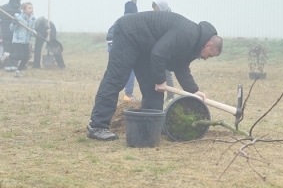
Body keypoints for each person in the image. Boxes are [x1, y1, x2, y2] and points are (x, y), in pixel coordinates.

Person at [87, 11, 222, 141]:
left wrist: (194, 91)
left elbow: (181, 67)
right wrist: (160, 80)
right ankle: (97, 127)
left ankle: (152, 126)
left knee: (153, 87)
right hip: (129, 33)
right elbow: (159, 53)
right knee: (116, 79)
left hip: (146, 46)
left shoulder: (194, 44)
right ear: (208, 45)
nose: (206, 58)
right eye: (209, 55)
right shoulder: (188, 35)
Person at [106, 1, 138, 101]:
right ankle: (128, 95)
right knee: (131, 68)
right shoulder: (134, 19)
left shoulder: (119, 19)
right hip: (120, 44)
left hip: (111, 44)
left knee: (114, 69)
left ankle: (108, 93)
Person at [151, 0, 175, 99]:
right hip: (158, 49)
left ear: (162, 7)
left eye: (156, 8)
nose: (155, 11)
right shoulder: (158, 17)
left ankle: (170, 96)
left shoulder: (169, 18)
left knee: (167, 73)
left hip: (166, 50)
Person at [0, 0, 22, 71]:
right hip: (16, 34)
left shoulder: (2, 8)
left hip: (5, 34)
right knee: (15, 50)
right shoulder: (19, 11)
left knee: (6, 49)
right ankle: (14, 66)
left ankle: (7, 67)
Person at [10, 2, 36, 77]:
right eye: (29, 8)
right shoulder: (18, 17)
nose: (31, 9)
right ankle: (8, 55)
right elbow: (12, 29)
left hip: (26, 40)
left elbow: (32, 29)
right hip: (18, 40)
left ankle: (18, 71)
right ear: (24, 10)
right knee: (20, 56)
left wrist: (35, 33)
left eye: (32, 8)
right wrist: (14, 23)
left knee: (26, 57)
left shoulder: (32, 19)